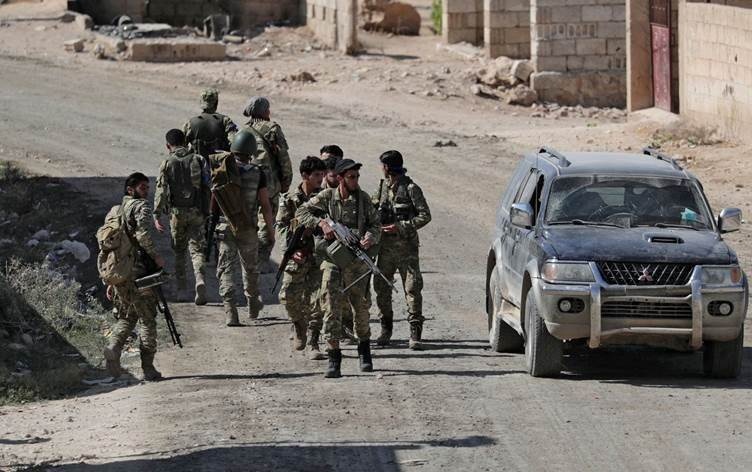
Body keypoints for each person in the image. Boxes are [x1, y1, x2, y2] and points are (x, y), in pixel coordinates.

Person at [296, 159, 381, 378]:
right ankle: (334, 358)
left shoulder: (363, 199)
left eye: (357, 177)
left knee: (360, 307)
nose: (356, 181)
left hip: (357, 263)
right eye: (351, 177)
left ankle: (364, 351)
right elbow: (301, 212)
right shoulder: (327, 197)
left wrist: (370, 237)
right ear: (341, 178)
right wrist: (321, 224)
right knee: (330, 308)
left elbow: (375, 224)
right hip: (332, 261)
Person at [101, 173, 166, 381]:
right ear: (131, 190)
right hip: (139, 272)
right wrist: (156, 256)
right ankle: (148, 368)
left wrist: (111, 280)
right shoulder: (141, 207)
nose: (147, 191)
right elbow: (142, 234)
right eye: (142, 187)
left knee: (127, 316)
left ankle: (113, 349)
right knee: (147, 319)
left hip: (121, 272)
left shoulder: (116, 210)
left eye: (147, 187)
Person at [211, 130, 275, 326]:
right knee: (250, 268)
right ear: (251, 152)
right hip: (248, 227)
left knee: (226, 268)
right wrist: (270, 231)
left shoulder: (223, 169)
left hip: (225, 226)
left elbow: (214, 202)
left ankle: (230, 311)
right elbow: (265, 205)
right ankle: (253, 302)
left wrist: (211, 224)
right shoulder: (258, 173)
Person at [372, 150, 431, 349]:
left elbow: (425, 215)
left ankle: (415, 334)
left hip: (407, 250)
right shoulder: (382, 188)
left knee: (412, 289)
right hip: (385, 249)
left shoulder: (411, 188)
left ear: (387, 167)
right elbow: (371, 208)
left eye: (383, 165)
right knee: (382, 288)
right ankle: (385, 330)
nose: (381, 169)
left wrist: (401, 226)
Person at [277, 156, 327, 359]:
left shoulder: (325, 197)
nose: (321, 178)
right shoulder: (289, 199)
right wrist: (291, 248)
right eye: (317, 175)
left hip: (320, 256)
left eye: (322, 174)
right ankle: (299, 324)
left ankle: (314, 342)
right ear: (305, 175)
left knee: (318, 300)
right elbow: (281, 226)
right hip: (298, 254)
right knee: (287, 295)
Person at [153, 129, 208, 304]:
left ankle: (182, 290)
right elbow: (208, 186)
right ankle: (200, 279)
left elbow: (161, 191)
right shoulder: (198, 159)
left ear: (168, 145)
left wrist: (157, 214)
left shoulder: (167, 163)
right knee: (197, 250)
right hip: (197, 211)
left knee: (179, 252)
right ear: (185, 141)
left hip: (177, 214)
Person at [241, 97, 293, 269]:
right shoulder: (272, 128)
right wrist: (287, 180)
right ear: (265, 112)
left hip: (248, 183)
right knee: (267, 220)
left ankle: (248, 257)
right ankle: (262, 260)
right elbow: (283, 157)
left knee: (250, 219)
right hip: (269, 183)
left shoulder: (243, 130)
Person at [183, 88, 238, 158]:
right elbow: (235, 143)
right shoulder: (225, 121)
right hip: (220, 163)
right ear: (216, 103)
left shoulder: (190, 123)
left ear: (201, 102)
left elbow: (181, 146)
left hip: (197, 163)